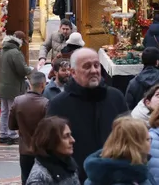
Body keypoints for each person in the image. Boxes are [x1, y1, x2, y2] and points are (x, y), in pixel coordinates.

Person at [46, 48, 129, 182]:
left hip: (113, 176)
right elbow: (50, 145)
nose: (94, 70)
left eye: (96, 65)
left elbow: (128, 136)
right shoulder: (59, 104)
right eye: (87, 66)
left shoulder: (116, 97)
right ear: (73, 72)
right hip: (76, 177)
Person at [84, 116, 150, 185]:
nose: (150, 143)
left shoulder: (98, 174)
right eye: (147, 140)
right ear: (135, 144)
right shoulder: (130, 177)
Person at [10, 70, 50, 182]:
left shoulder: (18, 101)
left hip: (24, 150)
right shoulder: (46, 103)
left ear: (30, 84)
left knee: (26, 179)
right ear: (43, 84)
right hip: (42, 151)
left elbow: (11, 126)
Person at [24, 116, 80, 185]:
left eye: (70, 135)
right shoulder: (39, 178)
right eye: (66, 136)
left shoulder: (68, 164)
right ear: (51, 141)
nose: (72, 140)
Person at [0, 32, 29, 145]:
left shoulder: (3, 50)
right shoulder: (15, 53)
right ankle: (12, 134)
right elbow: (22, 70)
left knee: (4, 111)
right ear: (19, 40)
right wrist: (32, 71)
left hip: (3, 85)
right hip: (14, 86)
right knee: (13, 111)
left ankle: (3, 133)